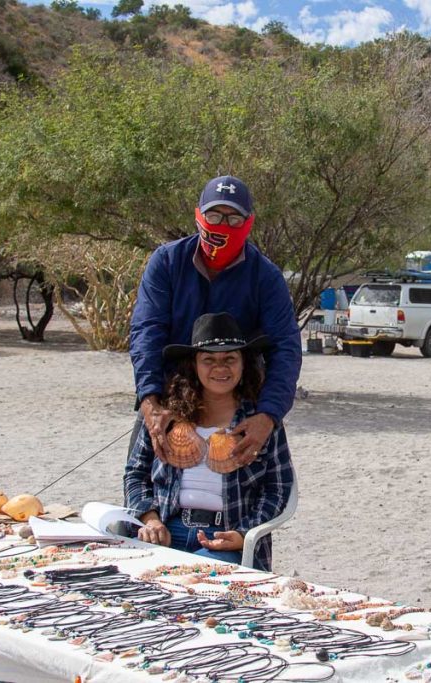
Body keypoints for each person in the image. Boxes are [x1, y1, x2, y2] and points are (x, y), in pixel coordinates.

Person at [129, 175, 302, 469]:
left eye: (235, 219)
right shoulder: (167, 263)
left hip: (238, 406)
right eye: (214, 215)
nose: (223, 225)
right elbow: (147, 331)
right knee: (145, 481)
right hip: (169, 399)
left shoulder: (266, 277)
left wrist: (268, 415)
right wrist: (149, 400)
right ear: (198, 215)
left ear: (249, 223)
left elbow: (285, 347)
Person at [124, 313, 294, 571]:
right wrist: (150, 519)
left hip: (227, 537)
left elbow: (279, 487)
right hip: (167, 529)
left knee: (196, 584)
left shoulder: (261, 422)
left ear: (243, 363)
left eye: (230, 359)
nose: (220, 368)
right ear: (194, 365)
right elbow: (135, 474)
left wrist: (243, 533)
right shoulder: (166, 415)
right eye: (209, 360)